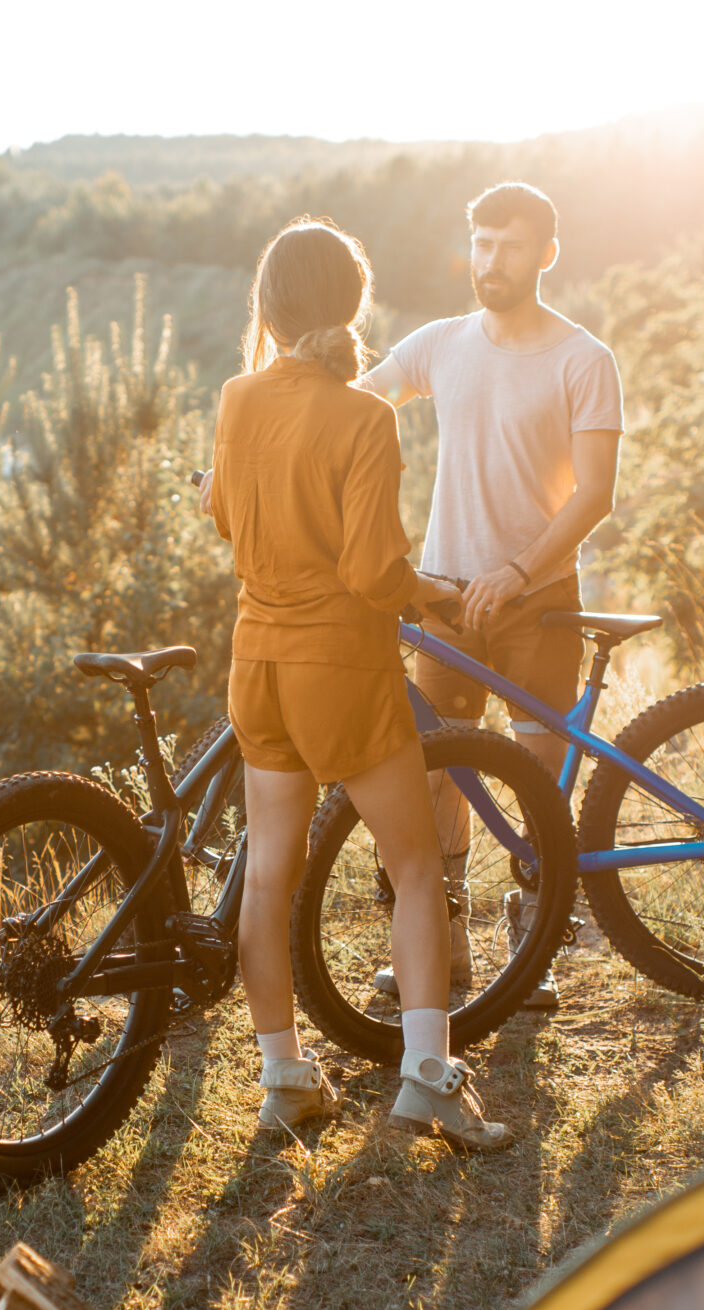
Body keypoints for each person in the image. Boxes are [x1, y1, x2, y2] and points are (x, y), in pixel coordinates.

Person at [204, 218, 508, 1153]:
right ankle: (427, 1079)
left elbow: (222, 513)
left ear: (267, 305)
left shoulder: (237, 397)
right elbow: (377, 572)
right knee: (415, 868)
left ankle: (285, 1078)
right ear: (353, 307)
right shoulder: (364, 415)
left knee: (267, 874)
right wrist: (439, 596)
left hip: (257, 664)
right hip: (343, 666)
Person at [361, 181, 625, 1011]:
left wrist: (516, 572)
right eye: (479, 242)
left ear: (546, 254)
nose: (490, 261)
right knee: (435, 774)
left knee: (536, 782)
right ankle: (445, 949)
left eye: (509, 245)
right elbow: (353, 403)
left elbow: (594, 494)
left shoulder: (585, 358)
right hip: (443, 598)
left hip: (537, 600)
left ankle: (534, 942)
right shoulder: (442, 344)